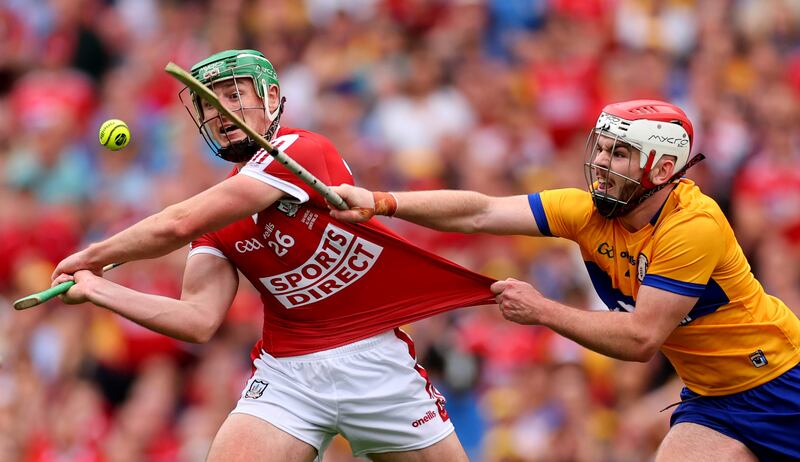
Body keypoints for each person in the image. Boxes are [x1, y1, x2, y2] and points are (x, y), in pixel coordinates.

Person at [50, 49, 496, 462]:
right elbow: (197, 319)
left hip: (374, 360)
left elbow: (177, 224)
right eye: (208, 103)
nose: (220, 111)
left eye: (233, 94)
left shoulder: (302, 150)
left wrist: (94, 254)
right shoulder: (218, 215)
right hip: (288, 376)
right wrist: (98, 288)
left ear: (272, 98)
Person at [329, 99, 800, 461]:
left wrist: (542, 311)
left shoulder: (692, 227)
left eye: (620, 154)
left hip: (782, 383)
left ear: (661, 168)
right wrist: (383, 201)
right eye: (602, 148)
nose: (602, 163)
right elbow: (481, 211)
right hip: (713, 400)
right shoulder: (586, 211)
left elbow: (641, 338)